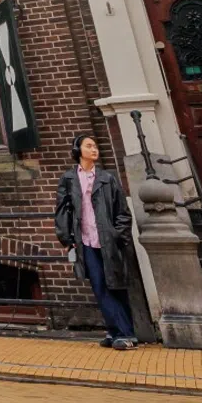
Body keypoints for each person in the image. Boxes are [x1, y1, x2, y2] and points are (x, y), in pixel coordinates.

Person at [55, 133, 139, 350]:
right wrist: (67, 238)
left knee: (116, 286)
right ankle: (115, 331)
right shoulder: (69, 179)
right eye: (89, 146)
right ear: (78, 150)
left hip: (108, 241)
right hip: (86, 241)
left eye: (96, 146)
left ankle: (125, 334)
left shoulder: (107, 178)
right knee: (100, 286)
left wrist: (117, 235)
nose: (95, 150)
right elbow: (63, 210)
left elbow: (122, 211)